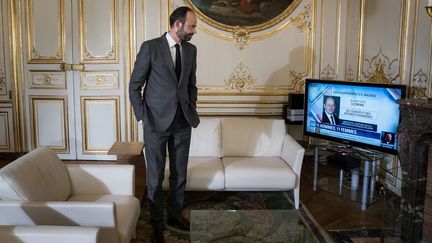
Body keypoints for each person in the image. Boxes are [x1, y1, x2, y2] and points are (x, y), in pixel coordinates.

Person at [129, 6, 199, 243]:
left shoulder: (191, 51)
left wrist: (191, 108)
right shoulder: (150, 47)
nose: (194, 31)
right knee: (155, 177)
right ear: (177, 24)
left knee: (179, 175)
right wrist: (142, 117)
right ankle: (157, 223)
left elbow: (191, 86)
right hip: (155, 124)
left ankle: (175, 216)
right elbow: (134, 86)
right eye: (191, 26)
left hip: (182, 123)